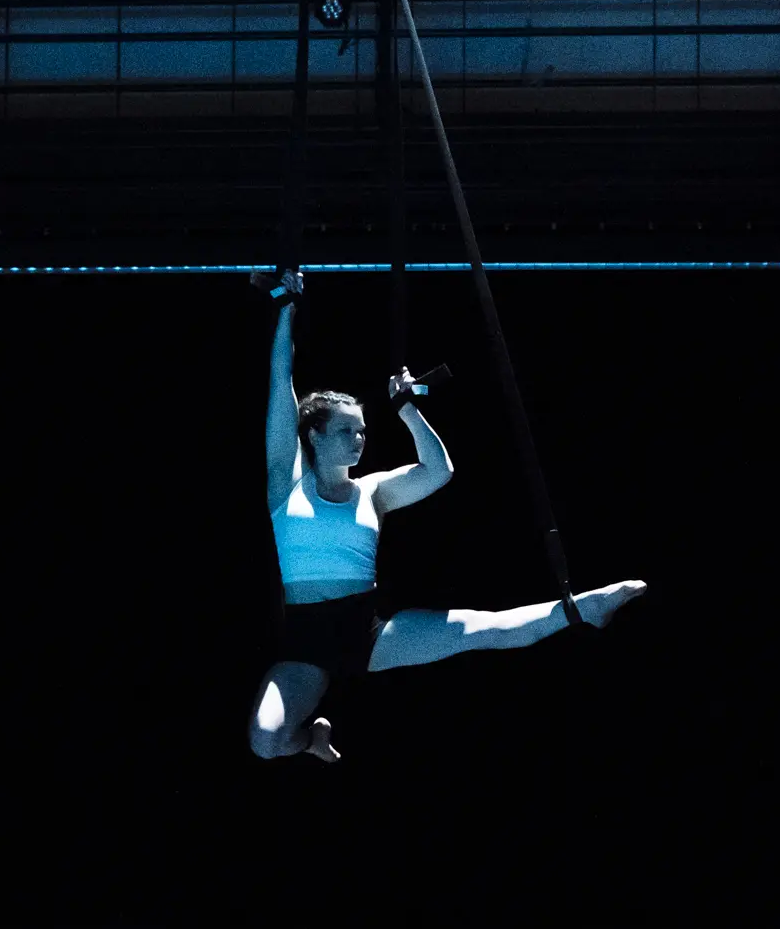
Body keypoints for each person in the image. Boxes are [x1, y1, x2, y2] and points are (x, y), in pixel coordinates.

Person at [250, 268, 647, 763]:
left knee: (486, 630)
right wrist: (286, 308)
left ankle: (586, 608)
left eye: (363, 430)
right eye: (348, 430)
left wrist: (409, 411)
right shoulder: (285, 485)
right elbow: (279, 383)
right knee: (265, 741)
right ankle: (313, 740)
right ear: (314, 436)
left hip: (366, 632)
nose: (360, 438)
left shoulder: (372, 490)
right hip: (305, 643)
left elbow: (438, 471)